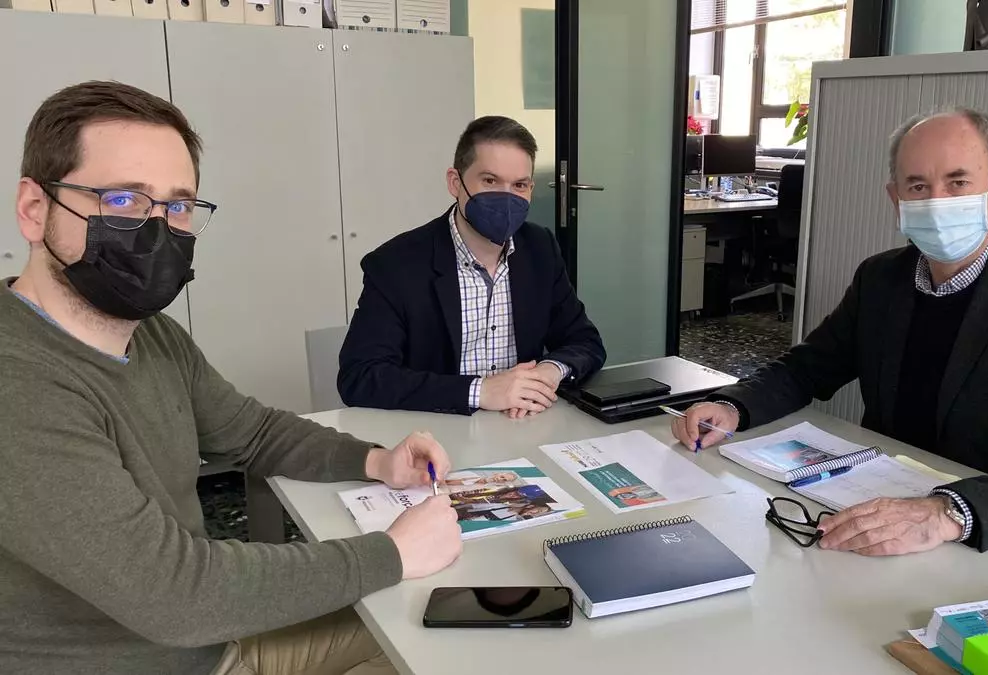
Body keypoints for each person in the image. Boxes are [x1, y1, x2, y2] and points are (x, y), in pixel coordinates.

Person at [0, 81, 465, 675]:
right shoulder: (19, 385)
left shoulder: (152, 335)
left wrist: (378, 461)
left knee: (443, 625)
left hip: (209, 641)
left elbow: (254, 432)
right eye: (123, 199)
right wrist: (392, 553)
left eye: (177, 207)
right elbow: (175, 595)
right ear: (34, 209)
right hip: (162, 654)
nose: (158, 229)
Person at [673, 106, 988, 556]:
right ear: (896, 198)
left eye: (958, 182)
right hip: (880, 511)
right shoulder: (881, 278)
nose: (937, 201)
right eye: (917, 186)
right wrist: (733, 406)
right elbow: (808, 368)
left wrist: (947, 513)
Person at [338, 116, 606, 418]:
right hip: (435, 431)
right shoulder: (396, 264)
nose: (506, 198)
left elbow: (585, 341)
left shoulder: (540, 249)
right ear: (455, 182)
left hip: (523, 424)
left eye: (519, 185)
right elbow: (360, 376)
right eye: (490, 181)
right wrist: (481, 391)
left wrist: (549, 372)